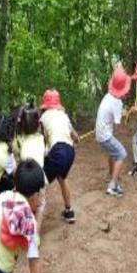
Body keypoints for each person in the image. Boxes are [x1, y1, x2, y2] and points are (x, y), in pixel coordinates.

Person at [40, 89, 80, 224]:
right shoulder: (64, 115)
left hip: (57, 151)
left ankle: (32, 215)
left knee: (38, 182)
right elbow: (76, 137)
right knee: (62, 178)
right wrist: (76, 139)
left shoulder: (43, 118)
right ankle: (69, 211)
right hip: (70, 152)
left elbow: (42, 141)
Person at [95, 67, 132, 197]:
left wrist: (121, 112)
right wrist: (125, 113)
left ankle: (110, 175)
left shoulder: (108, 96)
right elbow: (118, 122)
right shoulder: (117, 102)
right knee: (121, 154)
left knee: (113, 153)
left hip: (100, 134)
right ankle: (112, 185)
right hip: (105, 135)